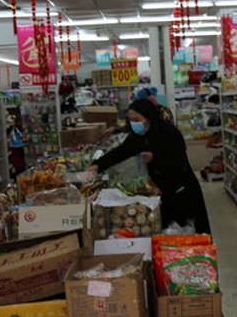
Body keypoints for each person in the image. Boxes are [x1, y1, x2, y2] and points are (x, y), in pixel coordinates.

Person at [87, 99, 211, 234]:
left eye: (136, 120)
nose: (133, 124)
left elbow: (179, 162)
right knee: (170, 235)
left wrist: (154, 158)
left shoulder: (169, 132)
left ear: (149, 117)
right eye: (131, 120)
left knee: (191, 234)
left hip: (182, 193)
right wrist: (97, 165)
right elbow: (120, 152)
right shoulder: (138, 137)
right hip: (163, 194)